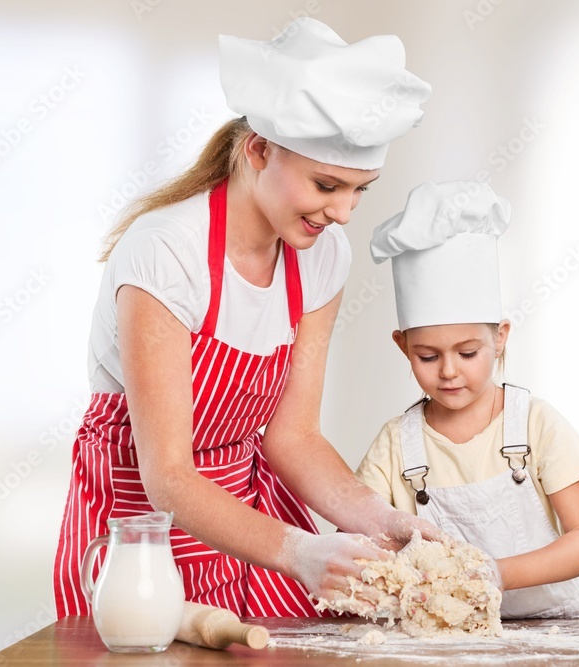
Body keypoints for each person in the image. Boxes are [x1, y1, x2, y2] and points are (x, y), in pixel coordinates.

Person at [54, 18, 440, 620]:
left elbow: (293, 436)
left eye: (361, 190)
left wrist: (388, 521)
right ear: (259, 149)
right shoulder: (166, 253)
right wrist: (301, 552)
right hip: (140, 531)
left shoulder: (320, 256)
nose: (343, 212)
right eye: (327, 184)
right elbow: (170, 477)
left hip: (252, 519)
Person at [356, 181, 579, 619]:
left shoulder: (535, 424)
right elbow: (357, 540)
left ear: (501, 337)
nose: (449, 371)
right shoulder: (396, 445)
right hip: (446, 637)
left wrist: (496, 572)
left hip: (555, 634)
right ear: (402, 346)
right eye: (428, 356)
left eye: (468, 353)